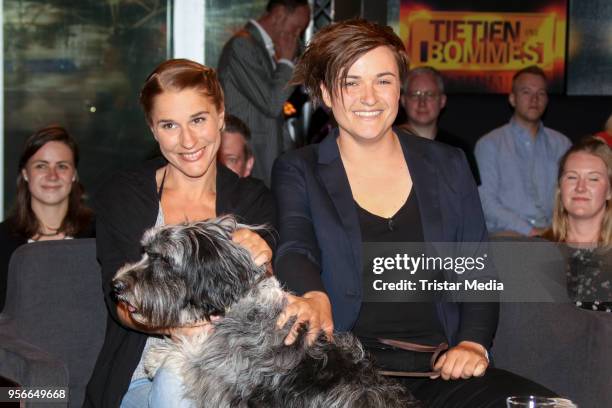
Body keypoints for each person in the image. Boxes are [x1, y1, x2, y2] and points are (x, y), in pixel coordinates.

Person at [272, 19, 556, 407]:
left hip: (439, 369)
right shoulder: (299, 169)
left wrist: (472, 344)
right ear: (326, 91)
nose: (369, 97)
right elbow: (295, 247)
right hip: (344, 373)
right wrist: (313, 295)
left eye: (383, 80)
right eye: (351, 82)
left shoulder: (449, 164)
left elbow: (475, 267)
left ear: (399, 89)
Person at [84, 59, 277, 408]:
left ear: (220, 115)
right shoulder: (123, 195)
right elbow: (122, 303)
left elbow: (267, 305)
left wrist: (264, 257)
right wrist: (179, 328)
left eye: (198, 120)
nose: (187, 140)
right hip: (142, 376)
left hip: (238, 378)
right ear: (152, 129)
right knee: (180, 379)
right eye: (169, 125)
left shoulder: (254, 201)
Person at [0, 125, 94, 312]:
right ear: (26, 174)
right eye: (41, 166)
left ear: (74, 174)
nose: (52, 175)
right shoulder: (1, 240)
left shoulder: (100, 236)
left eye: (62, 166)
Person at [217, 0, 310, 186]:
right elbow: (271, 103)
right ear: (279, 14)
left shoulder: (264, 48)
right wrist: (285, 62)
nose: (297, 36)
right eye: (296, 28)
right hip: (250, 156)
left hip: (268, 157)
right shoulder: (242, 46)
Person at [475, 65, 571, 236]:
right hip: (507, 235)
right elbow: (485, 202)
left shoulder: (562, 144)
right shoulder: (489, 144)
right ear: (512, 99)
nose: (534, 99)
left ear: (547, 100)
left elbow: (569, 196)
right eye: (526, 92)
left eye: (541, 93)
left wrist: (553, 232)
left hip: (553, 234)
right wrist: (531, 232)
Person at [543, 136, 612, 312]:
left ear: (609, 191)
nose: (580, 187)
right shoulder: (536, 251)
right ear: (560, 188)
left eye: (593, 179)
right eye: (572, 177)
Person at [400, 66, 480, 183]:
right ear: (403, 100)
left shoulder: (458, 150)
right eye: (415, 94)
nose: (422, 102)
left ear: (442, 101)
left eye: (430, 95)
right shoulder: (388, 145)